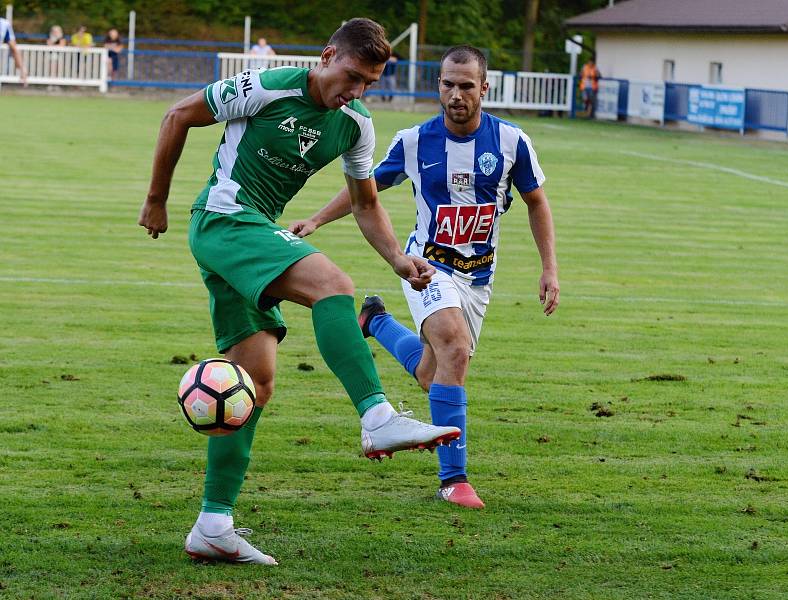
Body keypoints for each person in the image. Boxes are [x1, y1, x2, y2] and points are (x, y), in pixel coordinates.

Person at [137, 18, 461, 566]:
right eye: (352, 77)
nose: (356, 92)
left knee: (253, 386)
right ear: (327, 55)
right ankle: (377, 417)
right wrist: (156, 199)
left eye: (369, 84)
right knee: (333, 285)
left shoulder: (356, 124)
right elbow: (177, 115)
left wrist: (400, 261)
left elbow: (365, 203)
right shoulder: (265, 85)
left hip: (252, 232)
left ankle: (213, 525)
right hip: (224, 220)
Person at [290, 45, 560, 509]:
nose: (456, 94)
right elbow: (365, 190)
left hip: (478, 276)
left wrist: (549, 268)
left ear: (485, 88)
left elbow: (536, 202)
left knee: (432, 375)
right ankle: (453, 479)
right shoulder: (414, 141)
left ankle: (375, 321)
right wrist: (315, 220)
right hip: (426, 266)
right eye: (448, 84)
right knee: (453, 345)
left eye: (467, 86)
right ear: (439, 85)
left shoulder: (512, 142)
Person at [0, 17, 28, 87]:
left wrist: (22, 69)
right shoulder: (4, 24)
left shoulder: (4, 24)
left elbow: (14, 48)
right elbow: (14, 48)